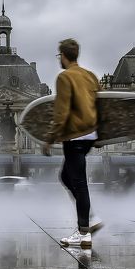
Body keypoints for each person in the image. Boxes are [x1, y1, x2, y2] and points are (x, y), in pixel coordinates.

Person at [42, 38, 103, 247]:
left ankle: (84, 230)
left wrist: (50, 138)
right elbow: (101, 105)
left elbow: (61, 112)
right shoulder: (90, 76)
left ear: (64, 56)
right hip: (89, 134)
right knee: (66, 176)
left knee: (77, 181)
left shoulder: (65, 77)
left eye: (59, 55)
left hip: (75, 135)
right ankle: (90, 219)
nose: (59, 59)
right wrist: (100, 135)